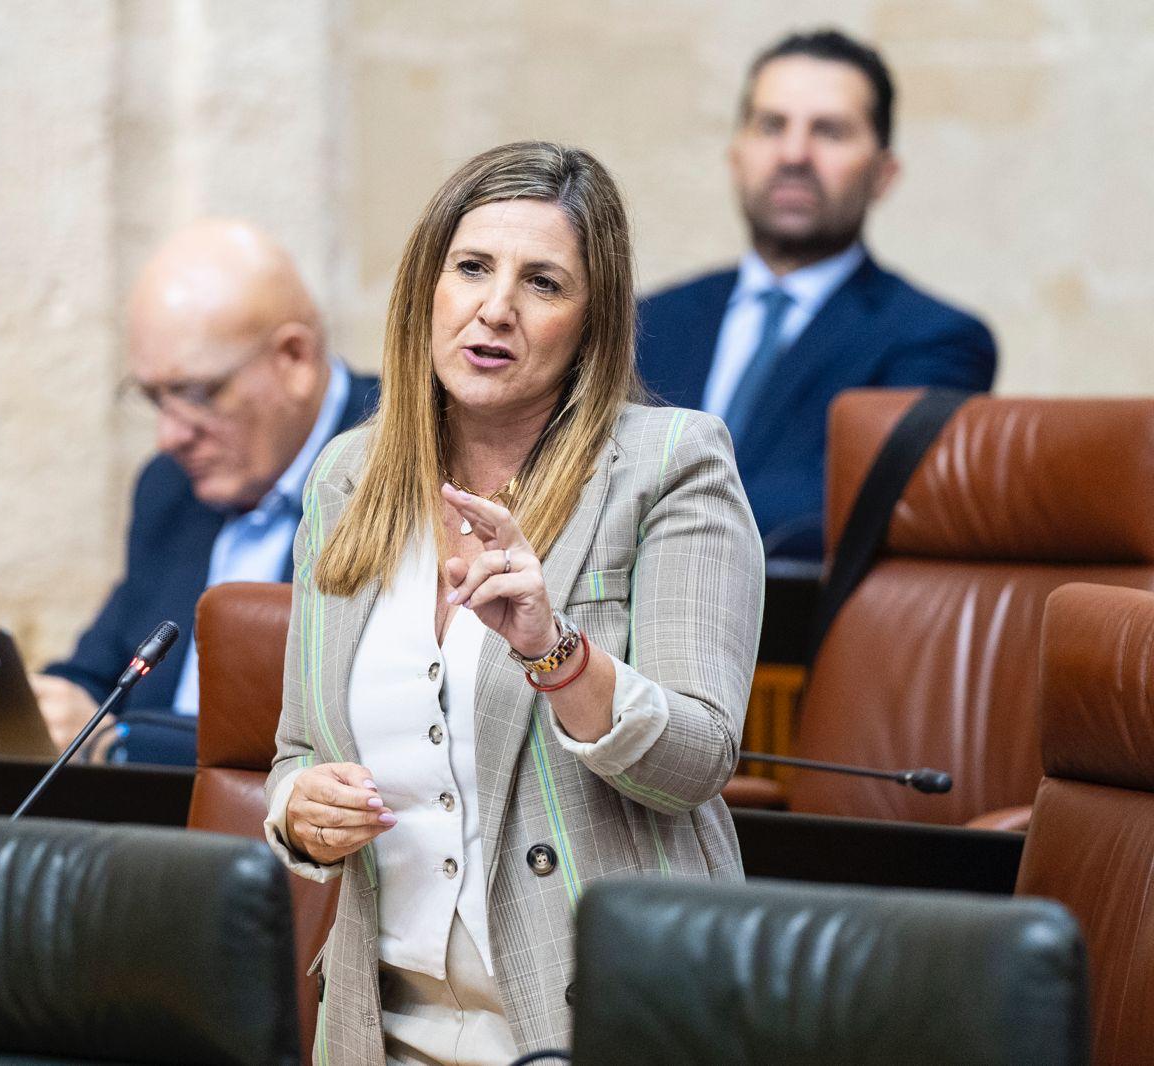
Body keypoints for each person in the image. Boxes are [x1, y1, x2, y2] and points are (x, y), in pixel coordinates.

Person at [263, 142, 763, 1063]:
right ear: (428, 288)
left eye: (543, 283)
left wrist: (555, 650)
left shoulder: (669, 466)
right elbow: (299, 749)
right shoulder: (347, 479)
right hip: (383, 1030)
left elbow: (697, 760)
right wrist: (298, 810)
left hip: (599, 1021)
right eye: (473, 268)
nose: (496, 308)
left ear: (592, 322)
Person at [636, 28, 997, 560]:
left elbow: (857, 512)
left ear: (883, 173)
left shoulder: (935, 342)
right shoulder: (647, 323)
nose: (794, 153)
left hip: (797, 635)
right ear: (736, 154)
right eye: (771, 125)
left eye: (829, 131)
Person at [33, 220, 379, 764]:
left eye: (198, 393)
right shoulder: (170, 487)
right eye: (154, 397)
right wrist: (37, 707)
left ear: (293, 359)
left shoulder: (399, 466)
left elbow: (340, 735)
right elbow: (98, 680)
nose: (170, 436)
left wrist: (119, 744)